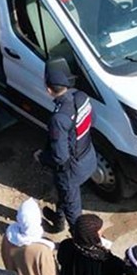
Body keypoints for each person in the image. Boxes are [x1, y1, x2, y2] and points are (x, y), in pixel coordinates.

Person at [35, 58, 98, 233]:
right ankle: (58, 221)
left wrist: (41, 157)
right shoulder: (81, 97)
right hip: (88, 157)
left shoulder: (59, 118)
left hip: (71, 171)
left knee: (73, 210)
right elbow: (93, 121)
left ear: (49, 90)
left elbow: (60, 157)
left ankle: (80, 239)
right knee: (64, 195)